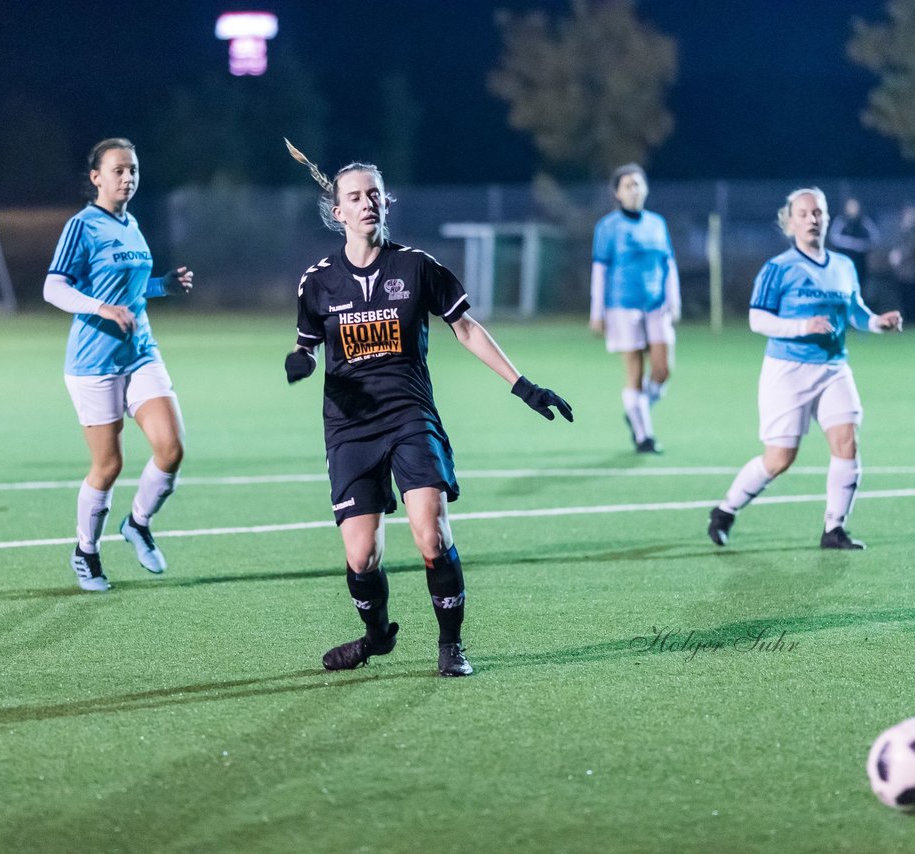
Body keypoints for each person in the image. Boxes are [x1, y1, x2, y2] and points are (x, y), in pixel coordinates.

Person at [284, 139, 573, 677]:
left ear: (386, 203)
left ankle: (450, 645)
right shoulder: (317, 281)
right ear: (337, 211)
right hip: (349, 426)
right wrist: (299, 359)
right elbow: (306, 343)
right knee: (361, 555)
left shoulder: (417, 268)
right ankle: (376, 637)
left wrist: (523, 385)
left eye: (375, 193)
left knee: (431, 533)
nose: (367, 202)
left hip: (410, 415)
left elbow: (464, 327)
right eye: (356, 196)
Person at [707, 187, 902, 551]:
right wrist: (801, 327)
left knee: (847, 441)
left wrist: (878, 323)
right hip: (788, 370)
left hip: (833, 368)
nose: (812, 219)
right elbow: (756, 319)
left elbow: (855, 311)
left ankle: (834, 529)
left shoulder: (843, 266)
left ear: (827, 219)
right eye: (804, 213)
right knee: (779, 459)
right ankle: (724, 510)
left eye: (818, 213)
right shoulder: (778, 269)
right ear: (790, 222)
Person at [43, 138, 194, 591]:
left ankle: (138, 523)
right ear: (96, 178)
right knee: (108, 466)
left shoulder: (131, 224)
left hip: (141, 352)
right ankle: (85, 552)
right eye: (118, 170)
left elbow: (130, 290)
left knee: (171, 448)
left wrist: (162, 285)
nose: (127, 178)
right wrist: (99, 308)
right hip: (94, 362)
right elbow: (54, 288)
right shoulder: (82, 226)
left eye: (133, 170)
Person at [589, 163, 679, 454]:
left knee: (663, 369)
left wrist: (673, 299)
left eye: (638, 184)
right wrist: (597, 311)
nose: (634, 189)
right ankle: (644, 436)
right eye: (627, 185)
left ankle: (637, 410)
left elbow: (668, 263)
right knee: (635, 372)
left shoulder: (656, 223)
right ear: (617, 192)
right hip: (621, 307)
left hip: (656, 306)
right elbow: (600, 271)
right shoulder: (608, 227)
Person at [888, 204, 915, 325]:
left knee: (914, 294)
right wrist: (894, 255)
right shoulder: (901, 232)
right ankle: (907, 317)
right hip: (902, 270)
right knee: (904, 294)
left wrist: (900, 256)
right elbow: (896, 245)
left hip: (914, 270)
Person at [827, 196, 880, 284]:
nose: (852, 209)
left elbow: (875, 238)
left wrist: (862, 245)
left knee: (860, 285)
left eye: (854, 206)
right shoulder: (841, 220)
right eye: (850, 206)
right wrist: (851, 243)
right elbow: (833, 237)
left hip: (860, 262)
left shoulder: (864, 220)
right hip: (843, 261)